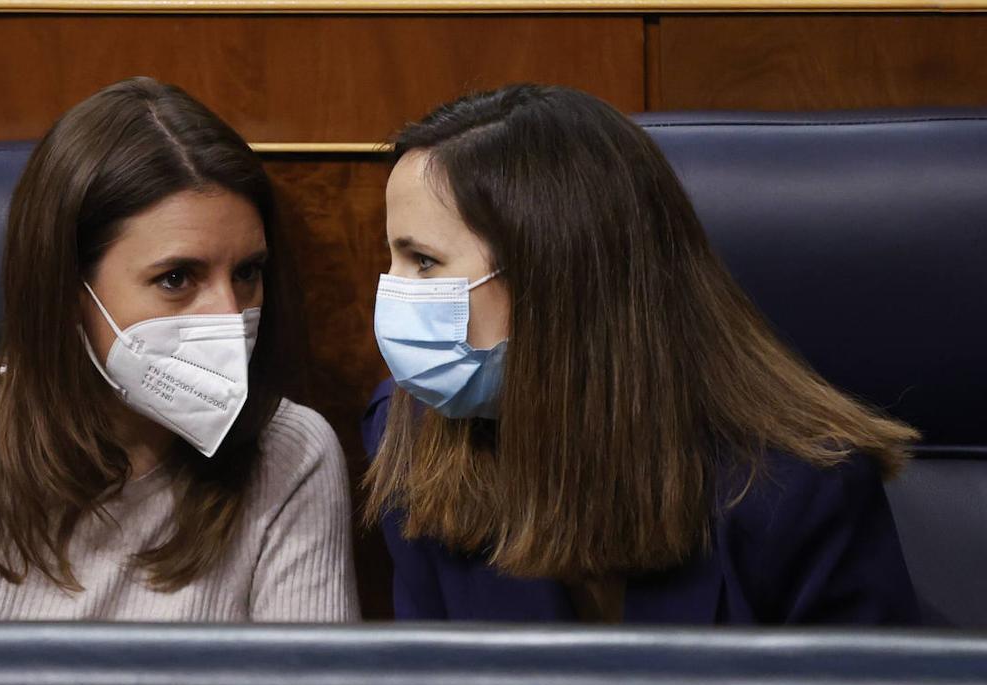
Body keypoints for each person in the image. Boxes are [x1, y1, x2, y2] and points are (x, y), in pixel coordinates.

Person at [363, 84, 920, 624]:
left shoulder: (800, 490)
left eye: (425, 262)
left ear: (558, 282)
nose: (394, 292)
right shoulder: (409, 434)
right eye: (393, 258)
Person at [0, 77, 358, 622]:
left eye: (246, 273)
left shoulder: (291, 452)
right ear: (68, 290)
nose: (229, 314)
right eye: (176, 278)